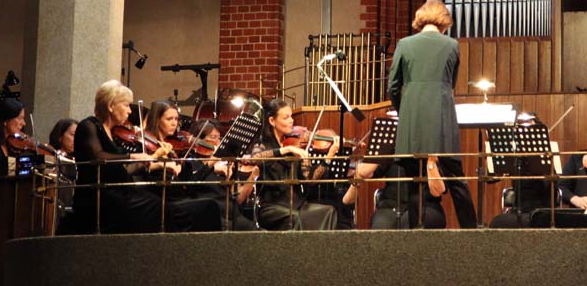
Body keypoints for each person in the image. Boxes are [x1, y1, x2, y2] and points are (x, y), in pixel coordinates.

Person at [72, 79, 221, 233]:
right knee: (162, 211)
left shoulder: (113, 132)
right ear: (111, 106)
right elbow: (98, 157)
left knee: (172, 210)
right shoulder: (89, 125)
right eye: (126, 105)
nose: (130, 111)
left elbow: (123, 170)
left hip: (122, 192)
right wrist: (132, 156)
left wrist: (151, 163)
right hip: (100, 196)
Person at [388, 0, 477, 230]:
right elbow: (451, 83)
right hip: (441, 120)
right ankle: (472, 233)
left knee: (414, 184)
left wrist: (405, 112)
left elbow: (393, 87)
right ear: (444, 21)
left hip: (412, 124)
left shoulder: (404, 44)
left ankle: (416, 236)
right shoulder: (451, 45)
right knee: (457, 181)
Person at [247, 98, 337, 230]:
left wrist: (329, 156)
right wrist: (286, 150)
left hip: (296, 203)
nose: (291, 121)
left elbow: (310, 179)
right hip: (271, 206)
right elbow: (254, 159)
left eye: (291, 116)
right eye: (286, 117)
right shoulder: (263, 144)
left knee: (328, 212)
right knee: (293, 217)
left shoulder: (296, 144)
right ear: (272, 121)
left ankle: (317, 245)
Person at [178, 119, 256, 230]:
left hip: (233, 215)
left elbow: (238, 199)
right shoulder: (191, 164)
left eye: (219, 138)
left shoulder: (224, 165)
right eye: (213, 137)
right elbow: (191, 185)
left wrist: (251, 176)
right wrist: (212, 163)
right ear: (198, 140)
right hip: (212, 217)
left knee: (260, 233)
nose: (218, 143)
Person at [345, 157, 447, 229]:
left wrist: (431, 162)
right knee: (380, 227)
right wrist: (383, 152)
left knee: (411, 224)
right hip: (391, 205)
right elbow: (366, 172)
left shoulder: (432, 148)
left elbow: (438, 191)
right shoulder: (391, 147)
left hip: (425, 205)